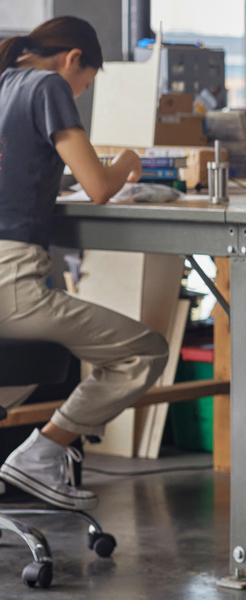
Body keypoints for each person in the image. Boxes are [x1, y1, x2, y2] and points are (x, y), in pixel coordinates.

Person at [0, 17, 167, 511]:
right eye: (87, 82)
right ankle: (43, 451)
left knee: (46, 354)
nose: (83, 91)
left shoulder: (5, 80)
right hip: (12, 283)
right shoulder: (47, 84)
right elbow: (98, 186)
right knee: (146, 351)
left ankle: (38, 454)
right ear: (73, 59)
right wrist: (128, 162)